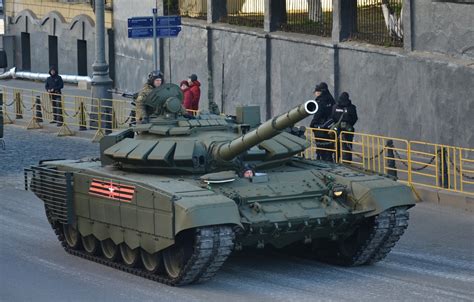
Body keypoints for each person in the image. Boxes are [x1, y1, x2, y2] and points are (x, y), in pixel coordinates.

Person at [309, 82, 335, 161]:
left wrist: (312, 124)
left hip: (320, 128)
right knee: (329, 149)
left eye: (316, 92)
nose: (315, 94)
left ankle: (322, 161)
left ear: (320, 92)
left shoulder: (320, 101)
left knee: (321, 148)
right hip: (330, 127)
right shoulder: (331, 99)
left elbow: (318, 114)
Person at [332, 92, 358, 162]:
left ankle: (336, 160)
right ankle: (347, 161)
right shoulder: (351, 107)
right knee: (347, 146)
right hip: (348, 130)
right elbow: (355, 118)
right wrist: (348, 125)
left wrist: (337, 124)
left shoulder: (335, 107)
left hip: (337, 130)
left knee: (336, 146)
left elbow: (332, 117)